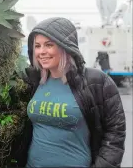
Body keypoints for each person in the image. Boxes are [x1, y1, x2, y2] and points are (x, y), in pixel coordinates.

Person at [12, 17, 126, 167]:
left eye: (49, 45)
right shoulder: (34, 81)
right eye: (37, 46)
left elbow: (115, 134)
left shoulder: (97, 82)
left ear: (65, 46)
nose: (41, 52)